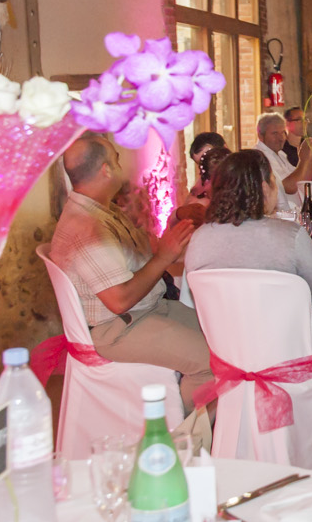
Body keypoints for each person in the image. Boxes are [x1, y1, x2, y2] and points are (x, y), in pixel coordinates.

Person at [49, 134, 212, 411]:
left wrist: (173, 243)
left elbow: (145, 257)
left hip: (145, 310)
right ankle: (182, 431)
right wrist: (164, 257)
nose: (120, 165)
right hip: (118, 328)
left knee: (223, 337)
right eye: (116, 159)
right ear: (106, 170)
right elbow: (119, 300)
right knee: (211, 363)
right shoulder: (86, 227)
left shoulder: (101, 211)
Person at [184, 150, 312, 388]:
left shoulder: (199, 240)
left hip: (229, 356)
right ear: (264, 187)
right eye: (274, 181)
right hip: (291, 355)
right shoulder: (290, 236)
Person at [255, 112, 312, 213]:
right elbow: (289, 187)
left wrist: (311, 158)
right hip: (282, 216)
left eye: (283, 133)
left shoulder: (279, 154)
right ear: (260, 135)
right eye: (275, 133)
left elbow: (303, 181)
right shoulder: (260, 156)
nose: (280, 138)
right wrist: (304, 159)